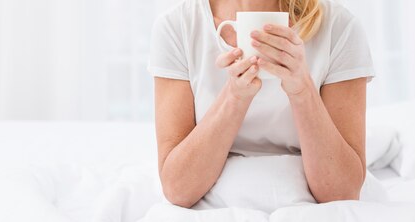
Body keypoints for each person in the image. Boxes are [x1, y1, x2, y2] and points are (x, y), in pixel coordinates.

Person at [148, 0, 374, 208]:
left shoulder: (339, 26)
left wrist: (302, 91)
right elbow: (177, 188)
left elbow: (343, 192)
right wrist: (234, 97)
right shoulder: (177, 26)